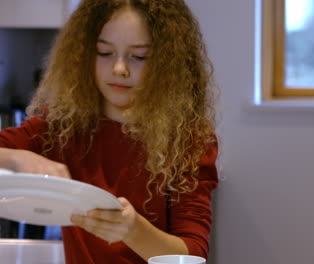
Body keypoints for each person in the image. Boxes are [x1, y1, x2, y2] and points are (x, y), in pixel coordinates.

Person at [0, 0, 218, 263]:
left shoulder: (188, 141)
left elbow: (193, 253)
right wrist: (16, 158)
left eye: (139, 57)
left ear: (168, 65)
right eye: (104, 53)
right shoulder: (62, 126)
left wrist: (134, 231)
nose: (119, 69)